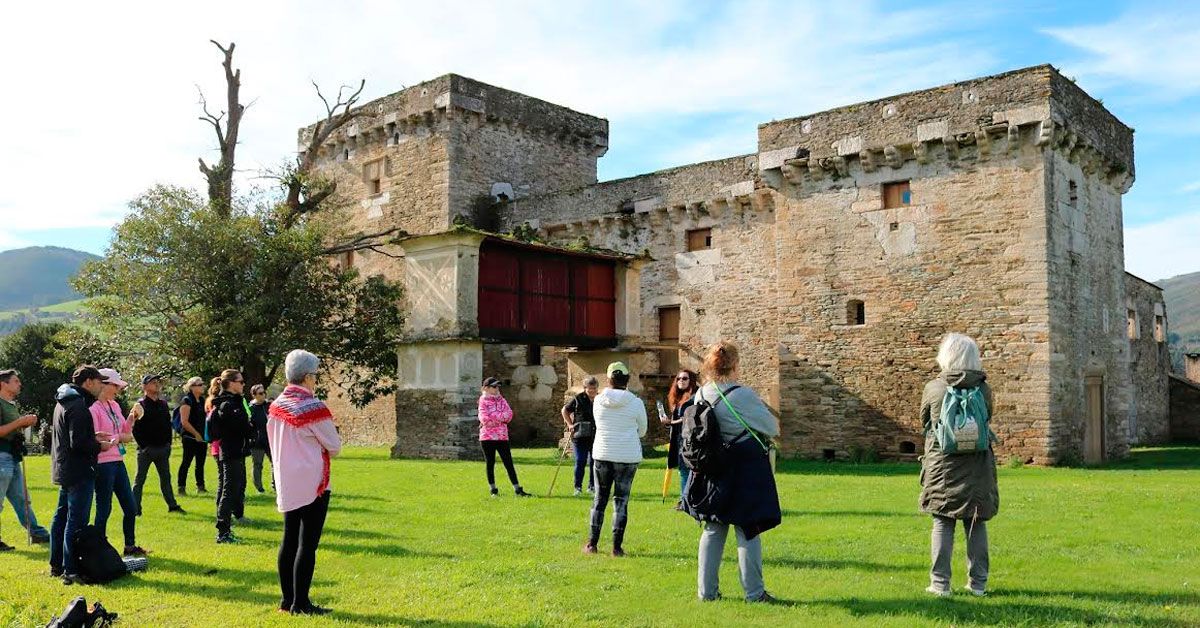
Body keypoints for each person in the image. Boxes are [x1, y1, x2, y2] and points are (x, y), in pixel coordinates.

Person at [686, 341, 781, 603]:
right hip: (744, 467)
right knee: (748, 528)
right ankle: (754, 593)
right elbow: (771, 428)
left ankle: (706, 593)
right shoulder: (742, 395)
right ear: (736, 365)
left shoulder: (702, 394)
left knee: (714, 528)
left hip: (713, 467)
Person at [919, 332, 998, 598]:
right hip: (977, 466)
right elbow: (988, 417)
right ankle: (978, 585)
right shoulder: (984, 389)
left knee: (943, 522)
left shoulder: (935, 388)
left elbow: (925, 421)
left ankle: (940, 584)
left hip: (943, 467)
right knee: (976, 523)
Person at [269, 350, 342, 616]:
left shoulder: (276, 405)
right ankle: (302, 603)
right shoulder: (313, 408)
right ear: (308, 377)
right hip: (313, 482)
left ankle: (287, 600)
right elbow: (334, 447)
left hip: (287, 478)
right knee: (307, 543)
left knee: (289, 540)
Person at [49, 365, 110, 582]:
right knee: (76, 521)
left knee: (61, 517)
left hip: (64, 468)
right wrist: (99, 445)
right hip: (79, 470)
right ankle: (71, 570)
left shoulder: (64, 401)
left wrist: (92, 435)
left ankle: (56, 565)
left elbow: (71, 436)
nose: (102, 385)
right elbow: (78, 444)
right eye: (99, 381)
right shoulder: (79, 405)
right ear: (88, 382)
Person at [585, 362, 647, 557]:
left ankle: (592, 544)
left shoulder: (598, 400)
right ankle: (616, 548)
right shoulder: (636, 402)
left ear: (609, 379)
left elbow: (599, 422)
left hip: (603, 452)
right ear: (627, 379)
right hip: (627, 455)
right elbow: (643, 431)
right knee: (621, 501)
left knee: (599, 499)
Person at [89, 368, 146, 557]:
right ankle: (99, 547)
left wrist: (132, 417)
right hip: (103, 464)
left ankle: (130, 546)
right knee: (104, 508)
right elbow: (96, 438)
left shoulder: (114, 406)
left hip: (117, 461)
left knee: (130, 507)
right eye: (115, 385)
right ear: (104, 384)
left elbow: (126, 432)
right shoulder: (93, 409)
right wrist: (119, 437)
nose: (118, 390)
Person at [0, 369, 50, 547]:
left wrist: (23, 425)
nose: (19, 384)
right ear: (3, 384)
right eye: (15, 381)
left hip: (11, 457)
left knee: (22, 499)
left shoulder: (11, 404)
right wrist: (20, 422)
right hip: (1, 457)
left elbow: (9, 430)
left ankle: (37, 533)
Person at [128, 374, 184, 515]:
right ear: (145, 386)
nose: (157, 384)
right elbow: (135, 429)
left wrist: (168, 444)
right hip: (146, 450)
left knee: (166, 479)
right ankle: (135, 508)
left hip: (162, 448)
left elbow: (167, 425)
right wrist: (144, 446)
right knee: (139, 480)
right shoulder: (139, 405)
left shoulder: (163, 404)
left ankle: (172, 505)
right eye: (153, 382)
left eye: (157, 382)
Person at [209, 369, 252, 544]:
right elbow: (241, 427)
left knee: (234, 489)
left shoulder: (235, 401)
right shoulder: (228, 404)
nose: (243, 385)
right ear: (231, 383)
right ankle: (223, 532)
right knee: (229, 491)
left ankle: (226, 528)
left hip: (237, 451)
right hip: (230, 451)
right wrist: (249, 427)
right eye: (241, 382)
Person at [478, 377, 531, 498]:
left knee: (508, 463)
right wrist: (501, 418)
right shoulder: (483, 401)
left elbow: (509, 415)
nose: (497, 389)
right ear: (486, 388)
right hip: (487, 437)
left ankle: (517, 489)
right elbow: (484, 419)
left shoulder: (502, 400)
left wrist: (495, 418)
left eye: (498, 386)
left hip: (502, 436)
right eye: (494, 386)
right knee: (490, 463)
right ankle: (493, 489)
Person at [662, 368, 699, 506]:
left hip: (690, 440)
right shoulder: (677, 397)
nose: (680, 381)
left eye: (684, 378)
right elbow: (677, 419)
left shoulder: (695, 397)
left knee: (689, 470)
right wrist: (668, 422)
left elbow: (689, 418)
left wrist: (671, 422)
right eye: (678, 379)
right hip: (679, 439)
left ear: (691, 381)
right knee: (682, 470)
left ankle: (688, 500)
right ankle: (685, 500)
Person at [561, 375, 599, 496]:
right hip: (580, 435)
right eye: (589, 388)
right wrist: (570, 424)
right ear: (585, 388)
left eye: (594, 388)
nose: (592, 390)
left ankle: (592, 487)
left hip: (596, 435)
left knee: (595, 462)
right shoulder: (578, 399)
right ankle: (577, 487)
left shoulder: (600, 399)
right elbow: (565, 410)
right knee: (580, 460)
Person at [177, 376, 208, 495]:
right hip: (190, 437)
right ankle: (181, 487)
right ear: (192, 387)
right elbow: (184, 422)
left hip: (202, 437)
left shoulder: (202, 400)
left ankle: (201, 486)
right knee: (186, 462)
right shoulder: (187, 400)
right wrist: (196, 434)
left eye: (202, 384)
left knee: (200, 463)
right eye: (200, 385)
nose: (202, 386)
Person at [248, 384, 272, 493]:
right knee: (257, 465)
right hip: (256, 441)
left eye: (264, 393)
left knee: (275, 463)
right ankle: (259, 488)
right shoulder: (250, 408)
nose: (263, 395)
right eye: (260, 393)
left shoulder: (270, 405)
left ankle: (276, 485)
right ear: (254, 395)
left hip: (271, 439)